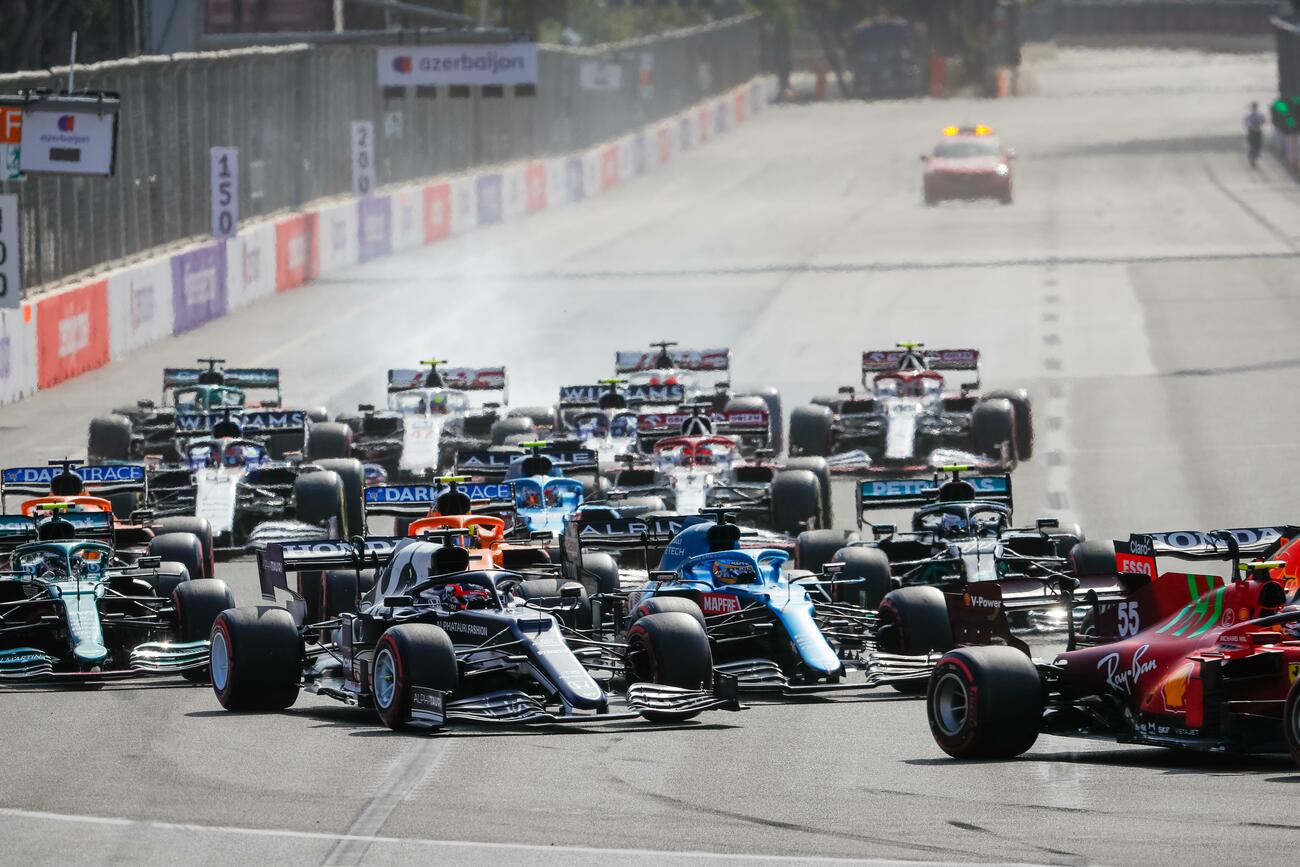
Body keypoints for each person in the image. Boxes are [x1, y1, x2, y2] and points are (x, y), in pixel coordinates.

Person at [1245, 102, 1266, 168]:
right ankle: (1252, 157)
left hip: (1258, 131)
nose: (1254, 108)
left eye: (1255, 107)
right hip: (1252, 132)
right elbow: (1247, 123)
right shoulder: (1249, 116)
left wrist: (1259, 125)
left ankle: (1256, 156)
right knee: (1252, 145)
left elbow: (1263, 121)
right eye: (1253, 107)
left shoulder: (1260, 115)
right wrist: (1252, 126)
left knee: (1258, 145)